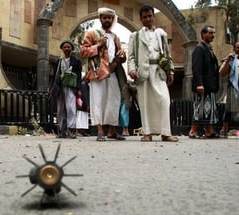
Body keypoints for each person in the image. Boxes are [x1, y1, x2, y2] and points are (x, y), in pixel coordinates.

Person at [127, 5, 178, 142]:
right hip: (143, 72)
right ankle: (147, 133)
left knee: (164, 100)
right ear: (141, 19)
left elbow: (167, 54)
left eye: (150, 16)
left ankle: (166, 133)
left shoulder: (161, 34)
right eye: (145, 17)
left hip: (159, 70)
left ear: (153, 17)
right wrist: (132, 70)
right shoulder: (135, 36)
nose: (148, 19)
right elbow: (130, 56)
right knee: (145, 104)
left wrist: (171, 70)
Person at [80, 7, 126, 141]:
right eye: (105, 17)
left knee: (114, 100)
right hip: (97, 72)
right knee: (97, 100)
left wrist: (122, 56)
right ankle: (100, 131)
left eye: (109, 18)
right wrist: (99, 45)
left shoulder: (116, 37)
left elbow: (119, 56)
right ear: (100, 19)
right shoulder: (92, 33)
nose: (107, 20)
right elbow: (83, 52)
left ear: (112, 19)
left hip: (113, 71)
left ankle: (112, 130)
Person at [188, 25, 220, 139]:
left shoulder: (209, 49)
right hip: (202, 85)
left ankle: (209, 131)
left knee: (209, 108)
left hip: (210, 85)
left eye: (214, 33)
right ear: (203, 34)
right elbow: (196, 68)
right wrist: (199, 84)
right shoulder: (199, 49)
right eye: (210, 33)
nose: (213, 35)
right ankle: (193, 131)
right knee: (199, 108)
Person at [49, 39, 82, 138]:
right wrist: (51, 87)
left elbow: (79, 75)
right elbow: (54, 75)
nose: (67, 48)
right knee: (60, 109)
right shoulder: (58, 61)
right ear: (62, 49)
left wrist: (79, 88)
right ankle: (61, 130)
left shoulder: (76, 60)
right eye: (65, 47)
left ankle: (71, 130)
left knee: (71, 108)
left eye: (68, 47)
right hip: (60, 87)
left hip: (71, 87)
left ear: (71, 48)